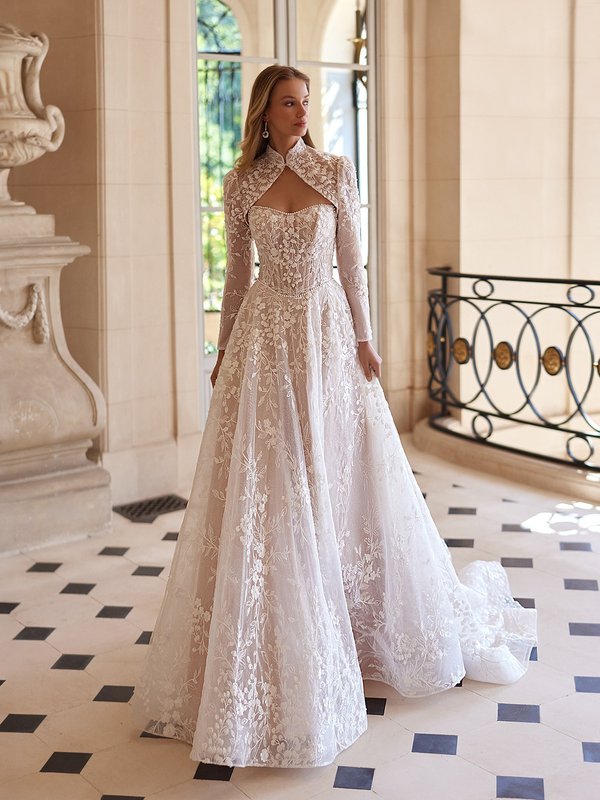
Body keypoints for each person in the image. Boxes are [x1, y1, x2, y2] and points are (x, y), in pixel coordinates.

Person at [131, 65, 537, 769]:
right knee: (274, 487)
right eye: (288, 103)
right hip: (264, 340)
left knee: (338, 476)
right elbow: (233, 278)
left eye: (305, 102)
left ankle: (355, 621)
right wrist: (222, 352)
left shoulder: (335, 171)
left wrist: (365, 339)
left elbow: (353, 267)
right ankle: (280, 630)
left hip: (323, 335)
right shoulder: (240, 184)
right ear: (263, 112)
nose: (299, 112)